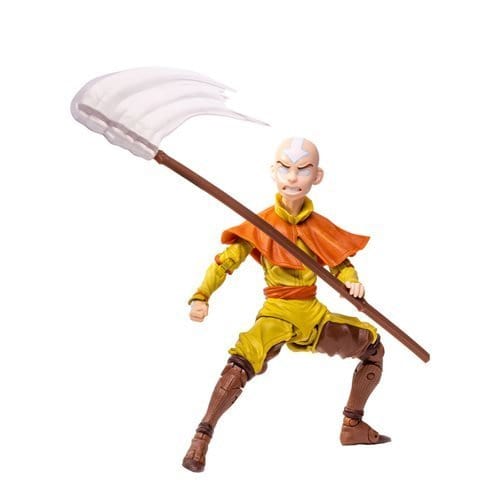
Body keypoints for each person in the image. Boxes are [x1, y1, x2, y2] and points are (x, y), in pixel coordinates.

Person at [182, 138, 389, 473]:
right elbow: (224, 262)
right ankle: (201, 437)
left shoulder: (319, 227)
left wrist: (352, 280)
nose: (292, 177)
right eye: (285, 168)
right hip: (277, 315)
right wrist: (201, 296)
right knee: (240, 361)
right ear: (273, 171)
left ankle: (352, 426)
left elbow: (341, 263)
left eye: (303, 169)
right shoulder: (260, 223)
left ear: (317, 176)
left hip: (314, 317)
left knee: (373, 345)